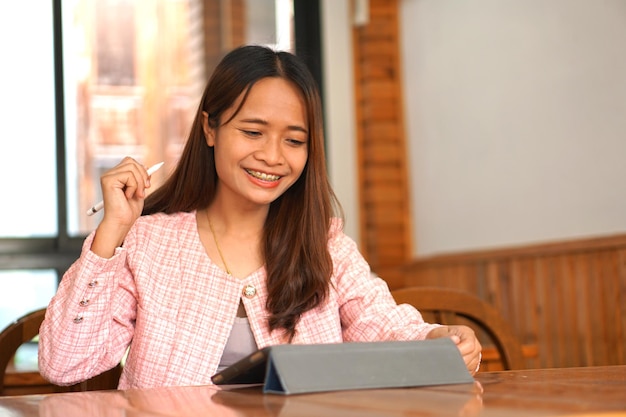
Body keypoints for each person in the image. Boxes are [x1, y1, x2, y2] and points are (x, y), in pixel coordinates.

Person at [38, 44, 482, 390]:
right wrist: (112, 230)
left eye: (294, 140)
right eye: (252, 132)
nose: (272, 157)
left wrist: (436, 338)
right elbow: (64, 363)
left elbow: (381, 322)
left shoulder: (325, 244)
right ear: (211, 128)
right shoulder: (147, 241)